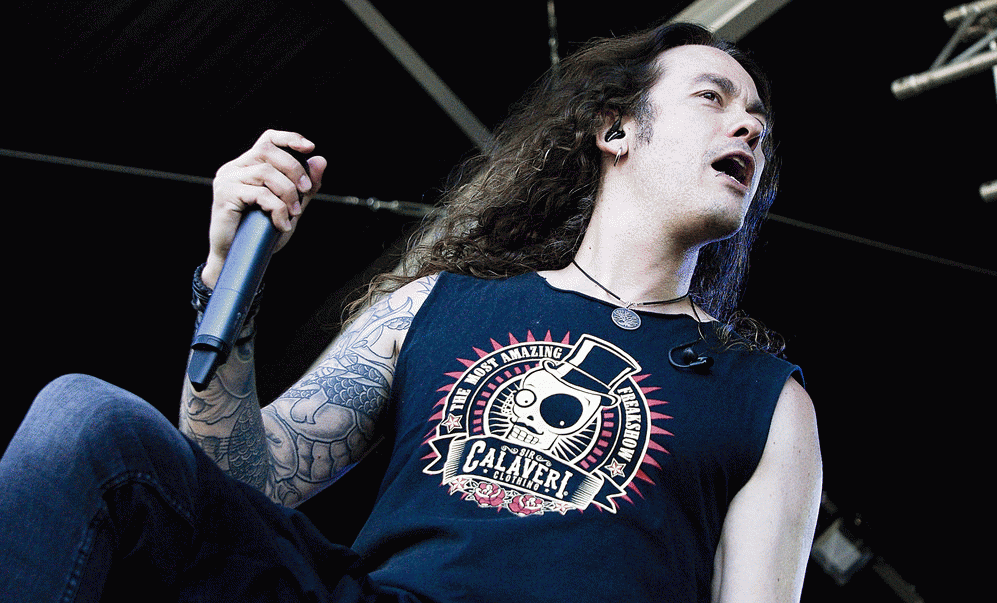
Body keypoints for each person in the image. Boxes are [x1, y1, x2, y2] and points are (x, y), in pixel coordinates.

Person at [0, 22, 822, 603]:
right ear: (616, 129)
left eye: (759, 121)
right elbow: (237, 473)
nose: (748, 126)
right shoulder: (437, 303)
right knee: (84, 419)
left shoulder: (764, 399)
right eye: (713, 97)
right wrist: (227, 282)